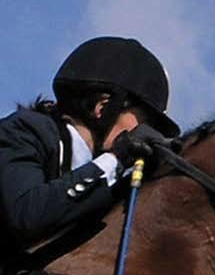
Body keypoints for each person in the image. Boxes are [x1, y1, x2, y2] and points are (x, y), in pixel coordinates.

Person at [0, 37, 179, 254]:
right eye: (145, 122)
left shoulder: (106, 183)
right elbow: (25, 216)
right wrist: (117, 157)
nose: (148, 133)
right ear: (103, 107)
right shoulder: (24, 131)